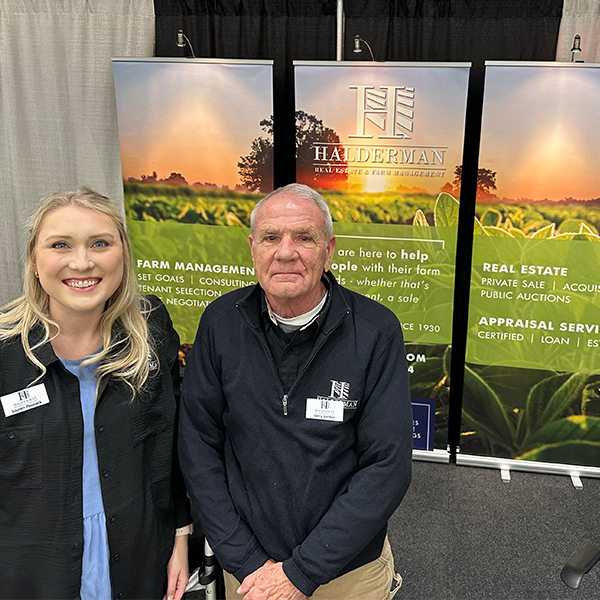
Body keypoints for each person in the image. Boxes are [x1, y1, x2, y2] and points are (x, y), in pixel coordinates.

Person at [179, 183, 412, 600]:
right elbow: (198, 444)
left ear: (329, 249)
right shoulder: (220, 323)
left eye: (304, 237)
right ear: (253, 248)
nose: (286, 252)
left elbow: (387, 467)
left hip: (346, 572)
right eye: (271, 237)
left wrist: (300, 572)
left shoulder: (376, 331)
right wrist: (245, 559)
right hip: (249, 570)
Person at [0, 187, 192, 600]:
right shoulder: (5, 352)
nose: (82, 262)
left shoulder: (151, 329)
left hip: (138, 563)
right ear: (34, 260)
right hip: (31, 576)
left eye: (100, 243)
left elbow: (170, 444)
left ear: (123, 254)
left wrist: (180, 536)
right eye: (60, 245)